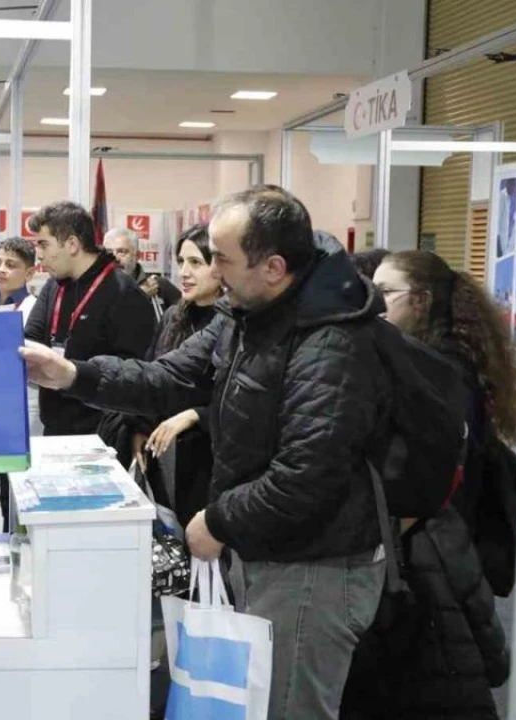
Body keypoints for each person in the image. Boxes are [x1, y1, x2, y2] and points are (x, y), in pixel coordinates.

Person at [21, 186, 390, 720]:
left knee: (286, 708)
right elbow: (167, 378)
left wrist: (218, 521)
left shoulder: (332, 343)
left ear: (273, 267)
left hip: (314, 566)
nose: (210, 272)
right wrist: (73, 374)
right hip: (263, 548)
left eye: (221, 259)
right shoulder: (244, 315)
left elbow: (307, 474)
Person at [341, 250, 516, 720]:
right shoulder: (435, 362)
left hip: (435, 545)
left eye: (385, 293)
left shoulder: (438, 371)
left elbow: (430, 470)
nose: (374, 303)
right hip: (437, 542)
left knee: (439, 682)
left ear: (419, 301)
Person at [99, 223, 221, 525]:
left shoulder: (235, 324)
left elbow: (240, 402)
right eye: (181, 262)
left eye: (196, 263)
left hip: (210, 463)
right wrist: (139, 428)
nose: (184, 272)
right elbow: (154, 374)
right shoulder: (172, 317)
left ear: (220, 266)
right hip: (163, 457)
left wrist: (196, 415)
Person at [23, 201, 156, 437]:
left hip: (104, 435)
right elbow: (30, 339)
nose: (39, 255)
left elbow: (138, 373)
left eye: (44, 245)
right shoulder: (54, 286)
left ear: (72, 244)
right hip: (55, 427)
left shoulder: (124, 293)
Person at [0, 236, 39, 533]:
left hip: (20, 415)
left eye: (11, 265)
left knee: (12, 497)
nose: (2, 269)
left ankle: (14, 550)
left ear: (30, 273)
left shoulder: (34, 309)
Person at [104, 227, 181, 319]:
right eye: (109, 252)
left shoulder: (158, 285)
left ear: (137, 255)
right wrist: (139, 297)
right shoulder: (96, 290)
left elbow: (188, 313)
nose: (115, 258)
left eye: (122, 252)